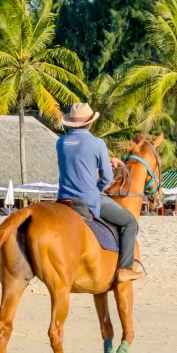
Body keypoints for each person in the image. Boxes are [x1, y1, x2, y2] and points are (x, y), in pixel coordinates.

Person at [56, 102, 144, 283]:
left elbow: (77, 159)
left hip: (63, 198)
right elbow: (107, 178)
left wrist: (104, 158)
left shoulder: (61, 142)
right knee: (129, 222)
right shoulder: (97, 144)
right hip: (87, 199)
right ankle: (125, 269)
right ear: (90, 123)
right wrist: (97, 186)